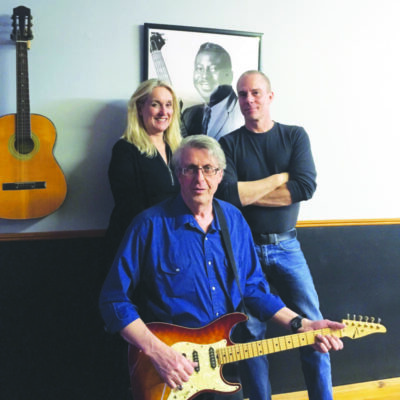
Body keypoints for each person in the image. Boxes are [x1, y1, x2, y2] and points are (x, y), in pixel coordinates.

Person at [99, 135, 344, 400]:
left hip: (223, 369)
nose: (199, 179)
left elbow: (253, 290)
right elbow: (113, 300)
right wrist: (157, 352)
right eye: (190, 169)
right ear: (178, 174)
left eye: (208, 169)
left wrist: (301, 324)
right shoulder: (148, 225)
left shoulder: (234, 220)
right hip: (168, 372)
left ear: (220, 175)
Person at [216, 70, 330, 400]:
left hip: (287, 245)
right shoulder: (229, 144)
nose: (248, 100)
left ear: (269, 96)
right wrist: (279, 178)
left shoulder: (295, 136)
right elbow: (227, 195)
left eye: (254, 93)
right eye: (242, 94)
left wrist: (247, 193)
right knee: (250, 336)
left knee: (313, 328)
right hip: (244, 251)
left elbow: (304, 187)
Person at [105, 78, 182, 263]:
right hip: (139, 245)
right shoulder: (125, 149)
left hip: (175, 240)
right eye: (156, 104)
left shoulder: (179, 148)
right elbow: (130, 207)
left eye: (168, 105)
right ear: (140, 108)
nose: (164, 112)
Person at [181, 42, 243, 140]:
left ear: (229, 75)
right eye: (199, 68)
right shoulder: (188, 114)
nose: (205, 76)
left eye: (213, 69)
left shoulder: (243, 112)